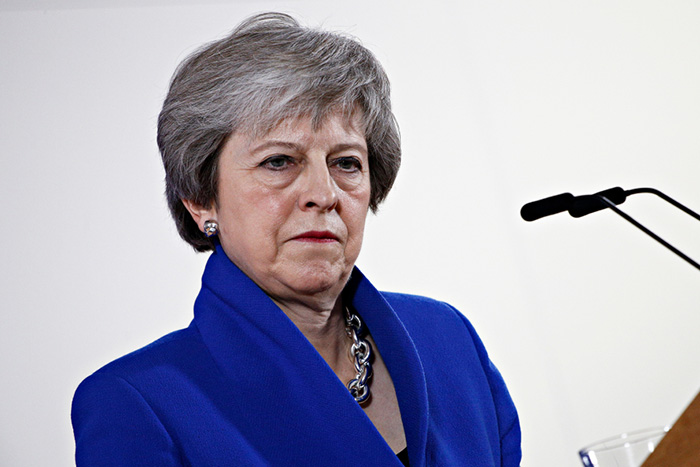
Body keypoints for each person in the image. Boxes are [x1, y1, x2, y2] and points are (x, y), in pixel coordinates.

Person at [71, 12, 521, 466]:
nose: (323, 194)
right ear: (201, 200)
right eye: (279, 162)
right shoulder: (136, 405)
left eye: (346, 163)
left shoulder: (448, 338)